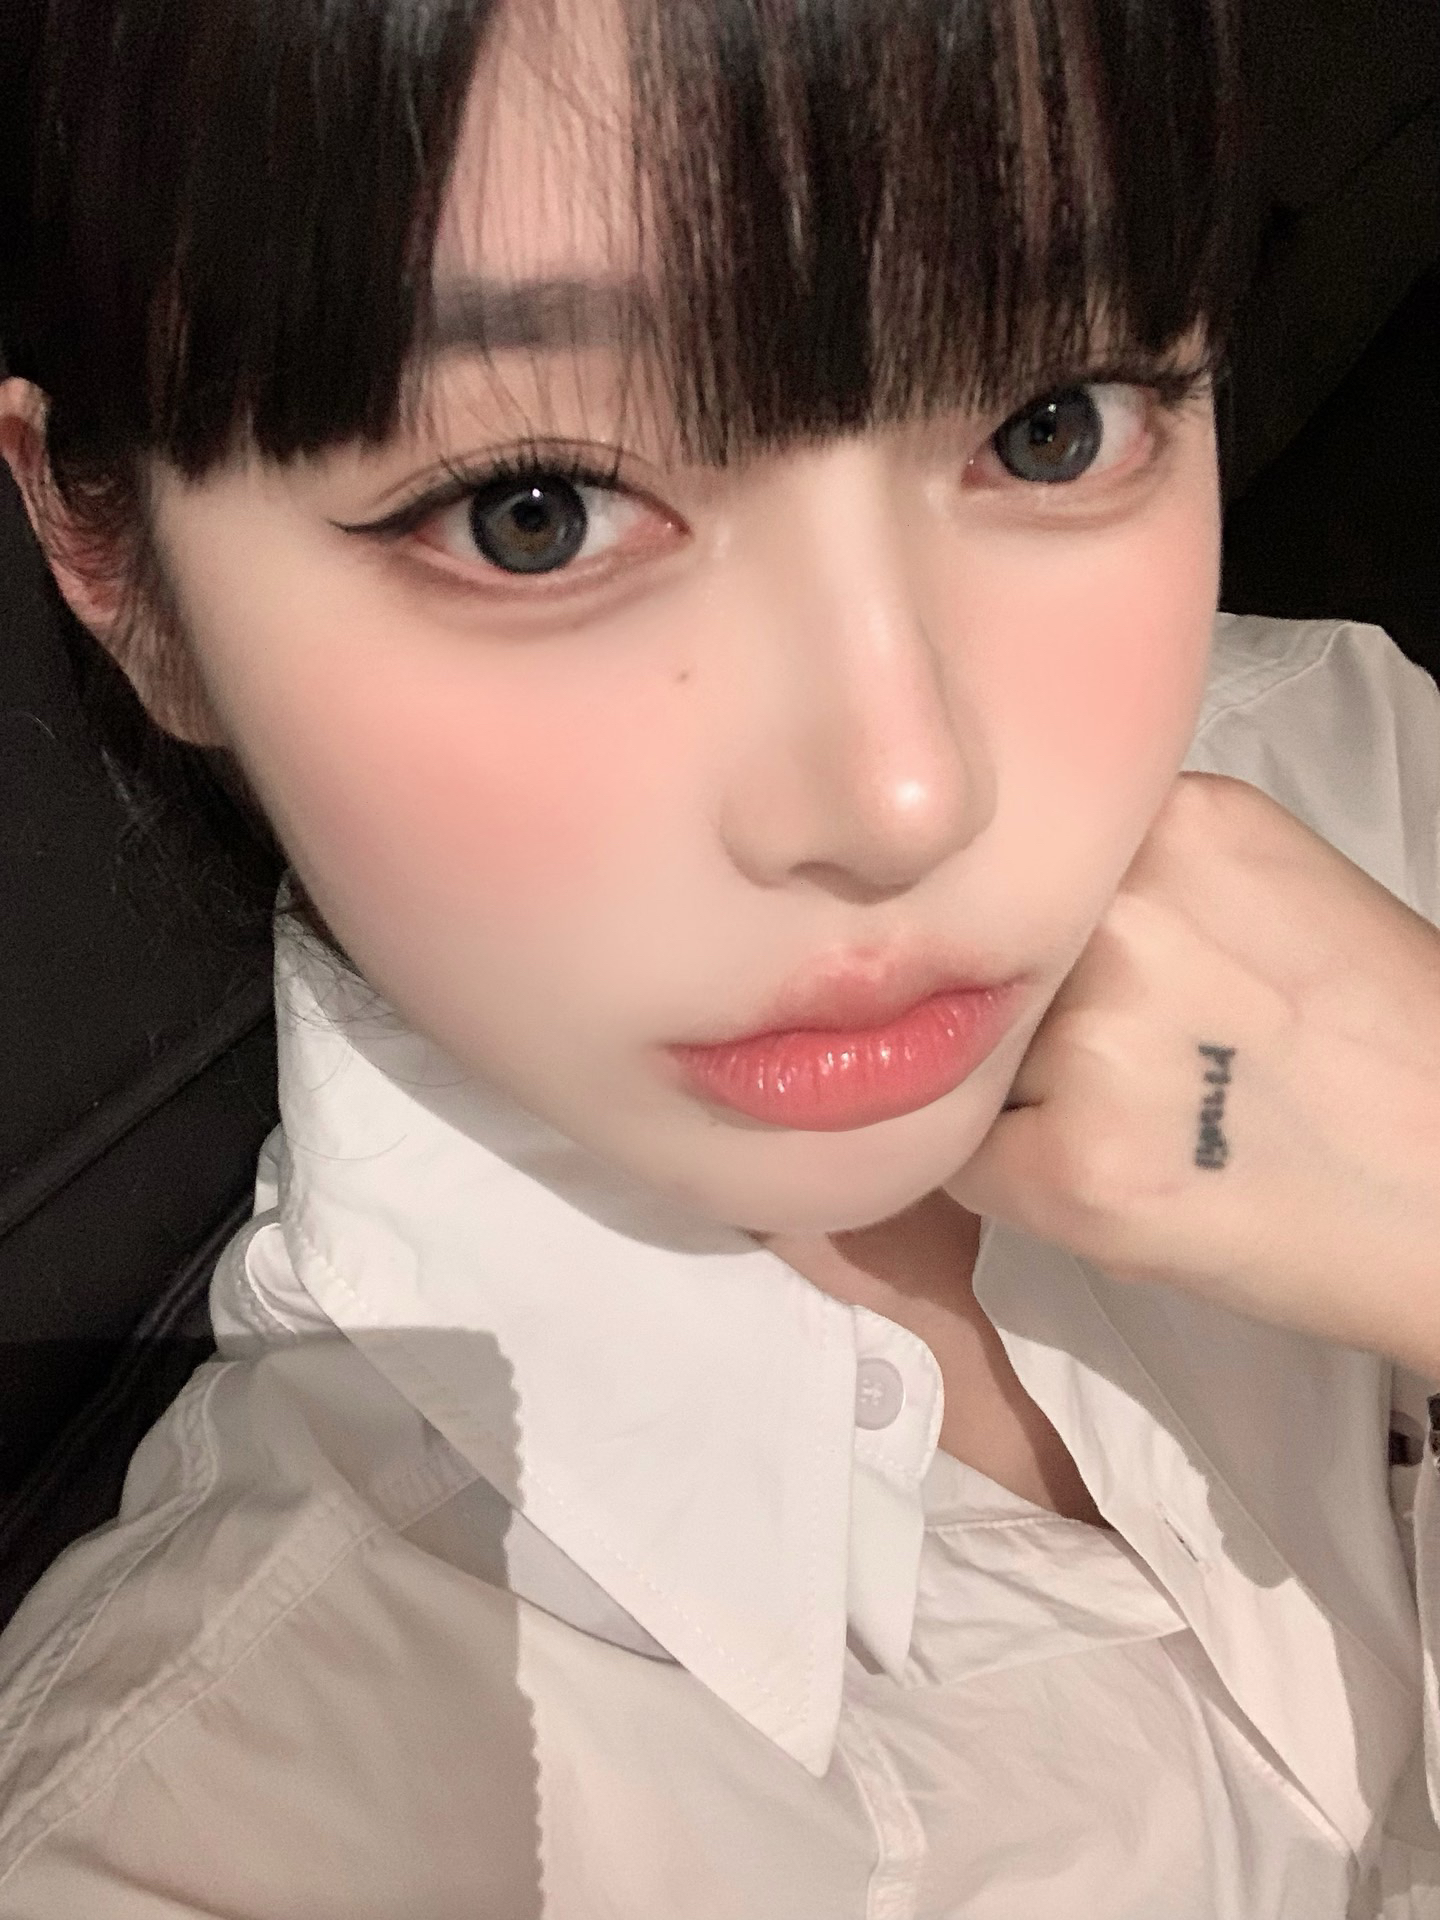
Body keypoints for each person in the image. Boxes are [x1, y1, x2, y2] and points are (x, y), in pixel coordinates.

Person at [2, 0, 1440, 1912]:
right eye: (533, 517)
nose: (908, 794)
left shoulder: (1353, 762)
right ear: (113, 562)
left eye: (1054, 421)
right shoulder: (209, 1829)